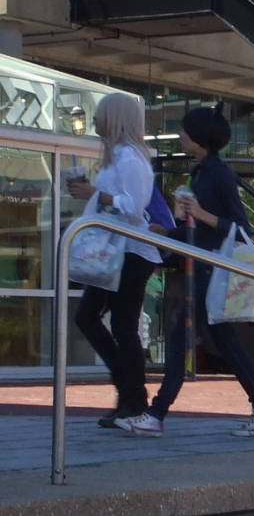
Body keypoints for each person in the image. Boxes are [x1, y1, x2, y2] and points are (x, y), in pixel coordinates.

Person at [115, 102, 254, 437]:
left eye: (185, 131)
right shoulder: (201, 171)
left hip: (210, 269)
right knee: (220, 341)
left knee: (182, 342)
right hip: (200, 266)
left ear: (199, 137)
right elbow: (198, 228)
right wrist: (169, 232)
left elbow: (240, 226)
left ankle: (156, 414)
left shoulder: (219, 173)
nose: (180, 136)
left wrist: (199, 213)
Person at [69, 92, 162, 428]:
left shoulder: (130, 159)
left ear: (115, 118)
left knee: (121, 325)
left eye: (101, 114)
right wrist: (95, 194)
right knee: (93, 318)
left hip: (132, 252)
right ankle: (129, 392)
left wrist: (95, 194)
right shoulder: (117, 157)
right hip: (116, 252)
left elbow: (134, 207)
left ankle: (132, 397)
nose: (95, 120)